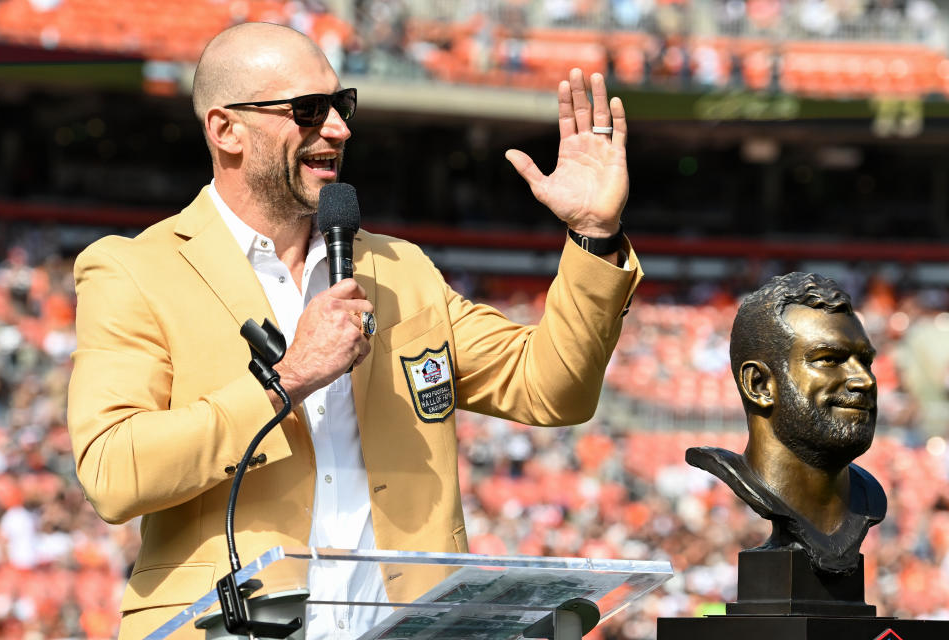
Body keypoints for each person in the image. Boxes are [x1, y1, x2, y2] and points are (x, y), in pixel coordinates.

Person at [67, 21, 643, 639]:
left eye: (341, 106)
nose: (338, 129)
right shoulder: (133, 271)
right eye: (308, 111)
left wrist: (594, 235)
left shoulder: (401, 268)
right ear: (225, 129)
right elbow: (113, 473)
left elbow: (552, 389)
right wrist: (288, 378)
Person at [686, 272, 887, 575]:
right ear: (759, 384)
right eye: (829, 359)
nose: (864, 380)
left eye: (866, 362)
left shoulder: (868, 498)